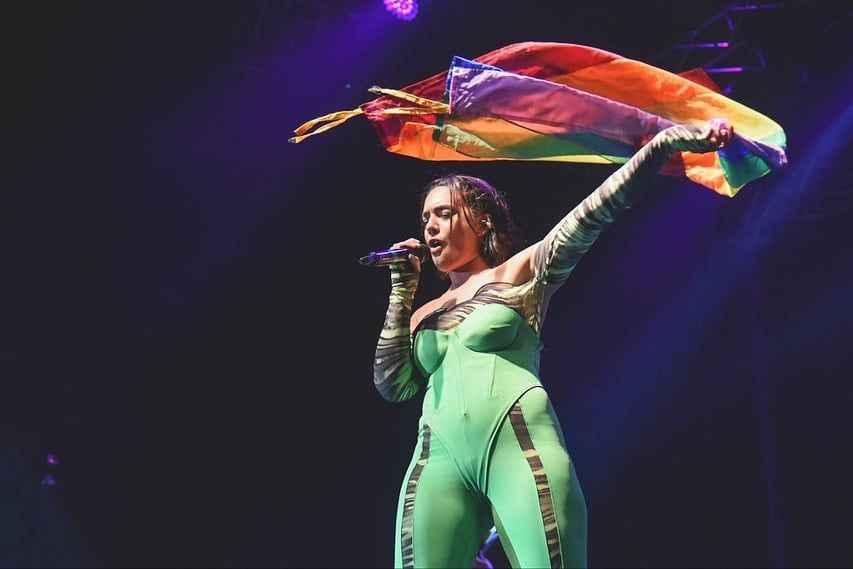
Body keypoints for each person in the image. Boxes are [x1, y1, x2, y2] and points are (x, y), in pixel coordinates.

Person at [373, 120, 735, 569]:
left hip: (518, 446)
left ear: (483, 219)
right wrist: (401, 291)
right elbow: (394, 386)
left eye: (444, 213)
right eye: (425, 218)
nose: (430, 227)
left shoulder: (522, 274)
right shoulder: (424, 313)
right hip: (437, 458)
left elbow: (596, 211)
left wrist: (660, 145)